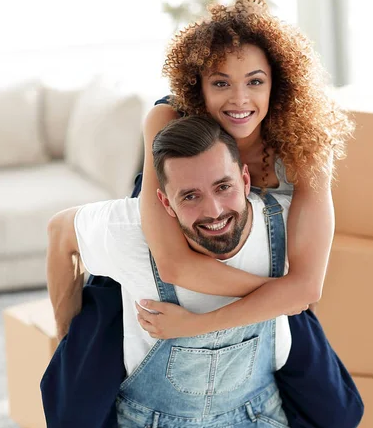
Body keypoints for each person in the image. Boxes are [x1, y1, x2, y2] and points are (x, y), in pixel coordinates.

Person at [43, 0, 363, 428]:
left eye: (254, 82)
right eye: (220, 83)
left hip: (256, 275)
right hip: (163, 259)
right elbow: (174, 265)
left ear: (277, 84)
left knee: (335, 410)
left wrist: (201, 324)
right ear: (198, 86)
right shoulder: (166, 118)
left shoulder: (306, 147)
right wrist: (278, 292)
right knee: (75, 406)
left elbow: (308, 288)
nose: (238, 100)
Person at [46, 116, 293, 427]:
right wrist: (68, 346)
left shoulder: (281, 224)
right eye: (190, 196)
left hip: (259, 414)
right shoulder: (131, 232)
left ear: (245, 180)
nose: (214, 211)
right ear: (164, 201)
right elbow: (60, 231)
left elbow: (308, 298)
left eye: (223, 186)